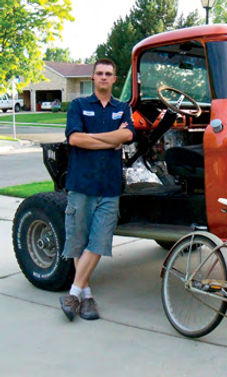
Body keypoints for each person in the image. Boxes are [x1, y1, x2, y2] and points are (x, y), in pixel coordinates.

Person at [59, 58, 135, 321]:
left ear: (115, 79)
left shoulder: (122, 108)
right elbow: (74, 138)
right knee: (79, 242)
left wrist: (95, 139)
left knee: (99, 242)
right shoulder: (79, 105)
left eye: (109, 74)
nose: (104, 77)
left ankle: (74, 293)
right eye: (100, 73)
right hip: (81, 185)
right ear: (93, 78)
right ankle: (87, 296)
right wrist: (110, 138)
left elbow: (127, 136)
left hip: (110, 187)